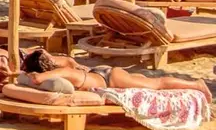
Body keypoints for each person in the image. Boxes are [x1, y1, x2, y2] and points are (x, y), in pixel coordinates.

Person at [22, 49, 212, 102]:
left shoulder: (61, 72)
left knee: (158, 83)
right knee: (144, 80)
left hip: (110, 78)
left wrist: (27, 74)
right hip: (103, 73)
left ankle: (197, 85)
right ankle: (194, 85)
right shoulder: (66, 68)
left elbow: (37, 79)